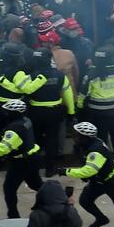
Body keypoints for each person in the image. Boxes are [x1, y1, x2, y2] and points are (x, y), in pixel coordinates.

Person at [0, 99, 42, 218]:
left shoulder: (14, 129)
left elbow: (3, 149)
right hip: (33, 157)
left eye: (7, 111)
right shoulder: (26, 120)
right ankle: (52, 199)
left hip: (22, 163)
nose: (5, 113)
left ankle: (13, 214)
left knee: (9, 188)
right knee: (35, 184)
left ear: (14, 113)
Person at [23, 48, 75, 177]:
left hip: (35, 112)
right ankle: (50, 169)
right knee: (52, 140)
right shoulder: (60, 75)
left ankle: (34, 168)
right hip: (54, 112)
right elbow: (68, 95)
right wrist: (71, 113)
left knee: (35, 140)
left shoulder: (31, 75)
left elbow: (24, 91)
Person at [77, 48, 114, 163]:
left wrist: (79, 106)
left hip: (97, 112)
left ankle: (103, 159)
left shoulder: (91, 74)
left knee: (101, 137)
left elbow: (83, 94)